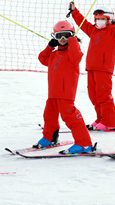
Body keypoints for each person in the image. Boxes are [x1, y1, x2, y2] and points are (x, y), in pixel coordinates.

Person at [35, 20, 93, 154]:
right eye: (59, 36)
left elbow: (76, 56)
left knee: (70, 116)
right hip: (53, 93)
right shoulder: (54, 55)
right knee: (49, 115)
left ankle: (84, 144)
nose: (62, 39)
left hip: (65, 93)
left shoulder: (73, 55)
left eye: (66, 35)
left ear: (72, 36)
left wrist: (73, 41)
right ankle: (50, 138)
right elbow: (42, 58)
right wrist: (50, 46)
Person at [69, 2, 115, 130]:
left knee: (103, 95)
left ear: (109, 19)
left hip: (104, 68)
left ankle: (109, 122)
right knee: (94, 95)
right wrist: (74, 11)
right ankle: (100, 119)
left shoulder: (114, 31)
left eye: (102, 19)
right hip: (91, 67)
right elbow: (83, 23)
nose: (99, 22)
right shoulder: (93, 31)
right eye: (97, 19)